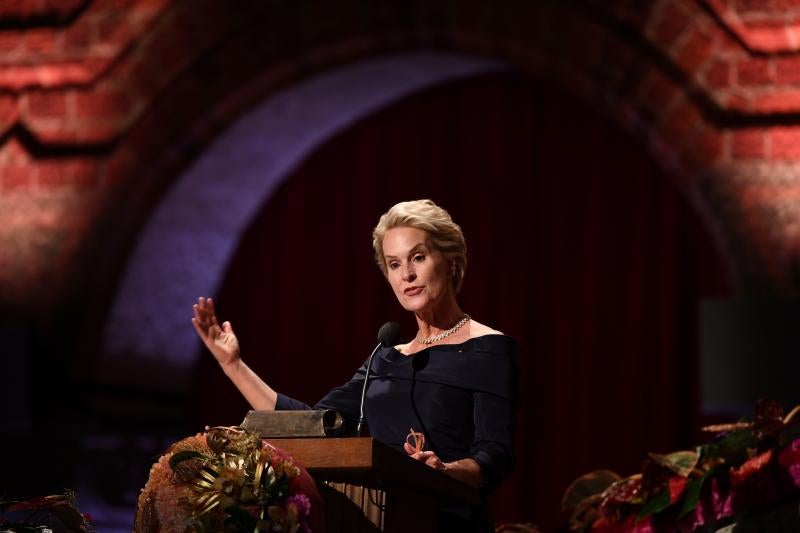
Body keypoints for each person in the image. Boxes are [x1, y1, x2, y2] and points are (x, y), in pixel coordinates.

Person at [193, 199, 518, 529]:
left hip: (448, 520)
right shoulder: (386, 357)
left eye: (418, 257)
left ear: (449, 261)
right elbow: (310, 425)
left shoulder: (488, 349)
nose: (407, 274)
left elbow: (495, 454)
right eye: (394, 264)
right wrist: (233, 364)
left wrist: (448, 471)